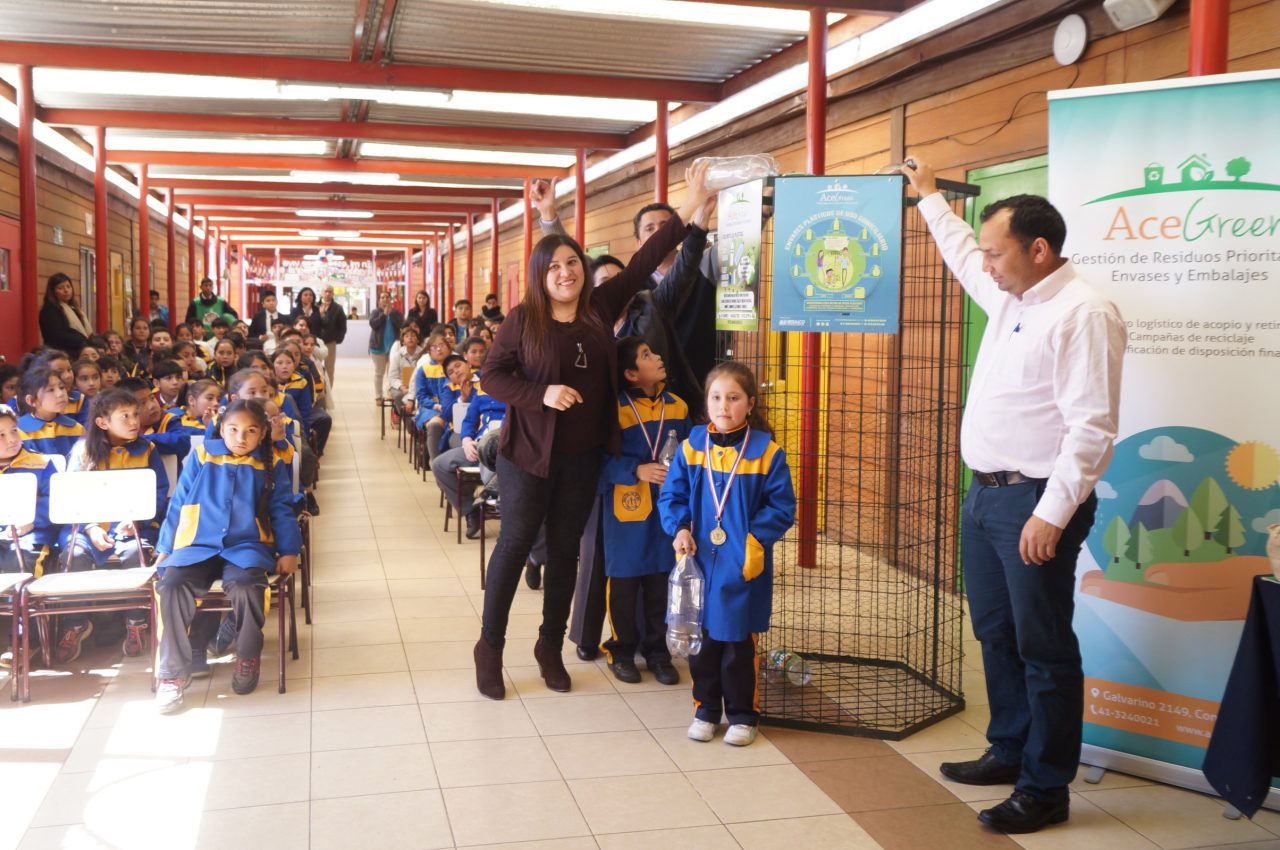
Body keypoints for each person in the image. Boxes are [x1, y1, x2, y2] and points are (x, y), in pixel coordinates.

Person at [903, 160, 1126, 834]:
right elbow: (964, 259)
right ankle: (1009, 747)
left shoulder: (1084, 312)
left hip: (1033, 502)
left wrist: (1051, 514)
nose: (988, 264)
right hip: (986, 498)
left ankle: (1045, 786)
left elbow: (1092, 427)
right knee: (995, 632)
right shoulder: (1012, 295)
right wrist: (930, 200)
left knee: (1043, 646)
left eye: (999, 251)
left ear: (1039, 249)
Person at [471, 160, 714, 700]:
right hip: (528, 456)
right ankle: (489, 647)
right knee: (512, 547)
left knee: (565, 553)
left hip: (583, 458)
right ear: (540, 274)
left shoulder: (602, 307)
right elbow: (492, 375)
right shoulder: (523, 319)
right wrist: (541, 395)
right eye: (555, 265)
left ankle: (549, 647)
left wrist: (689, 207)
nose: (566, 272)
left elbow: (647, 258)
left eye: (573, 263)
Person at [534, 181, 716, 661]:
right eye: (603, 281)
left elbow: (673, 268)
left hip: (647, 430)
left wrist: (695, 224)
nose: (612, 285)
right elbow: (560, 262)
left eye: (619, 279)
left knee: (651, 545)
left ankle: (648, 642)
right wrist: (549, 218)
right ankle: (593, 637)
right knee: (598, 544)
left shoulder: (650, 307)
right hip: (599, 438)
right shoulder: (580, 319)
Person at [659, 361, 796, 747]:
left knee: (737, 642)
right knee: (701, 640)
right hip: (699, 561)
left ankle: (742, 715)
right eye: (716, 397)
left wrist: (754, 542)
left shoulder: (767, 453)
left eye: (734, 398)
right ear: (706, 402)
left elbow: (782, 507)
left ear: (750, 403)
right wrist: (680, 528)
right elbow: (672, 496)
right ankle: (705, 710)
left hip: (741, 564)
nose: (724, 406)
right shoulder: (691, 448)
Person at [152, 399, 300, 713]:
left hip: (245, 546)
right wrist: (165, 548)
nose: (241, 437)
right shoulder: (202, 455)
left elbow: (282, 509)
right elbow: (178, 502)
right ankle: (173, 675)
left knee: (247, 585)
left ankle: (247, 656)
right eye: (233, 429)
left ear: (262, 434)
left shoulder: (269, 463)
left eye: (250, 431)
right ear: (221, 428)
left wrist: (288, 550)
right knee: (172, 585)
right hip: (197, 544)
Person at [600, 338, 690, 686]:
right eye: (647, 356)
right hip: (627, 512)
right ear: (631, 374)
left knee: (660, 584)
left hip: (667, 512)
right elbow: (596, 460)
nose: (658, 357)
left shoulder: (678, 407)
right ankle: (620, 651)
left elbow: (688, 458)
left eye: (655, 352)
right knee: (623, 586)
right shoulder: (614, 410)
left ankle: (658, 652)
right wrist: (635, 470)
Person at [64, 387, 169, 660]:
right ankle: (76, 623)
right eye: (125, 416)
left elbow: (159, 491)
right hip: (89, 529)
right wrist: (91, 527)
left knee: (136, 554)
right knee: (73, 556)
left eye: (136, 414)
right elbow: (71, 496)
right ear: (102, 422)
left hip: (134, 526)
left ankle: (136, 622)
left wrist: (135, 517)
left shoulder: (148, 449)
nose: (134, 421)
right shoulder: (82, 451)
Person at [0, 405, 62, 580]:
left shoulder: (41, 463)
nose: (11, 439)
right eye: (1, 435)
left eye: (14, 431)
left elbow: (57, 500)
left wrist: (32, 520)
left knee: (20, 558)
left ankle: (23, 606)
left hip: (35, 534)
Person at [16, 363, 83, 458]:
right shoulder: (19, 430)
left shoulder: (76, 428)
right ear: (31, 401)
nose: (60, 394)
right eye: (51, 390)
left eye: (61, 387)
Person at [38, 272, 93, 355]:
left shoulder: (75, 309)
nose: (66, 290)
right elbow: (59, 336)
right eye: (60, 288)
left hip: (80, 351)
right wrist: (84, 341)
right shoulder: (50, 311)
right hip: (62, 354)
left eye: (68, 286)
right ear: (52, 291)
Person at [368, 290, 403, 404]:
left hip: (394, 348)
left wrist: (391, 313)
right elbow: (373, 324)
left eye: (387, 297)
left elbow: (401, 324)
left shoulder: (396, 312)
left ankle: (391, 393)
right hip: (378, 347)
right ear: (379, 300)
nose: (385, 299)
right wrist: (384, 314)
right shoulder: (375, 312)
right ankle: (378, 396)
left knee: (393, 372)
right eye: (382, 297)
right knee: (379, 372)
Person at [385, 324, 423, 418]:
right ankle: (407, 421)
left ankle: (418, 420)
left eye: (413, 336)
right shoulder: (397, 355)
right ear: (403, 341)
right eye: (407, 336)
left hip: (418, 385)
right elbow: (392, 377)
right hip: (400, 386)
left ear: (418, 340)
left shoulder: (423, 355)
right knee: (398, 396)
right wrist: (402, 387)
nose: (410, 338)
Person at [317, 285, 348, 389]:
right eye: (326, 291)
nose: (328, 294)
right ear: (321, 293)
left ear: (333, 294)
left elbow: (342, 325)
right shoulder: (315, 305)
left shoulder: (337, 308)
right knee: (316, 367)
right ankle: (317, 391)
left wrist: (338, 339)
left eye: (330, 292)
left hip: (330, 342)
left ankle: (328, 392)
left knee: (329, 369)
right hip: (315, 342)